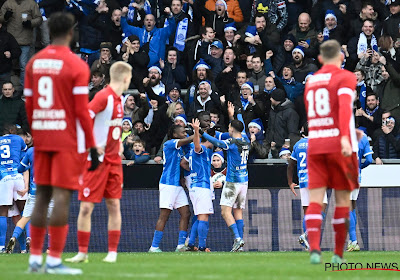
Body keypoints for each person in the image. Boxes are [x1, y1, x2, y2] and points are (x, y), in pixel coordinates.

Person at [24, 12, 98, 274]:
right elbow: (81, 110)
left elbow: (30, 105)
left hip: (42, 138)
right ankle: (53, 260)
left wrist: (39, 133)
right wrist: (91, 145)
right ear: (71, 32)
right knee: (62, 197)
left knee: (41, 195)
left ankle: (34, 258)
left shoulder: (34, 62)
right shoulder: (77, 65)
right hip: (66, 140)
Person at [65, 61, 131, 264]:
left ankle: (112, 253)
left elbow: (111, 128)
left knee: (114, 204)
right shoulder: (104, 96)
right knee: (86, 207)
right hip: (97, 161)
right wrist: (92, 145)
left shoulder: (119, 99)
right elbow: (83, 118)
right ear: (126, 79)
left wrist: (118, 144)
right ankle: (82, 253)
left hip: (114, 162)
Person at [303, 40, 358, 264]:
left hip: (315, 144)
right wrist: (346, 136)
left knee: (316, 200)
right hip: (339, 144)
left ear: (320, 59)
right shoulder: (346, 77)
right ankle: (337, 254)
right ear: (341, 56)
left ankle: (315, 249)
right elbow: (344, 107)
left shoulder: (312, 81)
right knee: (342, 201)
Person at [201, 102, 250, 252]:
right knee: (238, 211)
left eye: (229, 127)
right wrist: (235, 114)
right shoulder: (246, 139)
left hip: (233, 181)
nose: (228, 129)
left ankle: (237, 238)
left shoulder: (232, 142)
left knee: (225, 211)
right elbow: (240, 125)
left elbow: (217, 142)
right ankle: (240, 245)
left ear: (232, 129)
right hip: (244, 181)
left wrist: (201, 132)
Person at [148, 125, 194, 252]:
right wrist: (197, 133)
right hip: (167, 184)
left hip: (177, 185)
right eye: (183, 132)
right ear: (175, 134)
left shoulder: (181, 147)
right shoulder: (169, 144)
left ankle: (180, 245)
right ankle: (154, 247)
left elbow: (193, 147)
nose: (185, 133)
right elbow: (188, 140)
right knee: (164, 216)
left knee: (186, 213)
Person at [287, 125, 328, 251]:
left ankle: (308, 244)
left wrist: (290, 182)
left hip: (303, 181)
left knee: (308, 212)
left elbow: (290, 165)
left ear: (303, 130)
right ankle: (306, 235)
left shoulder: (298, 145)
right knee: (322, 207)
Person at [6, 146, 54, 254]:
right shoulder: (53, 150)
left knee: (25, 218)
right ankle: (50, 248)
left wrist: (29, 165)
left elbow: (20, 169)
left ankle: (13, 238)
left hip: (34, 191)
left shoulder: (31, 151)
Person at [183, 119, 214, 252]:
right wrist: (196, 131)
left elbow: (184, 163)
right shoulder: (200, 150)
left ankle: (190, 243)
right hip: (201, 186)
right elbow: (197, 146)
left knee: (200, 215)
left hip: (196, 186)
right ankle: (202, 247)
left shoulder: (198, 153)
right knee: (203, 216)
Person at [0, 124, 27, 253]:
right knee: (23, 214)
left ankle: (1, 246)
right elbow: (24, 154)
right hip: (18, 177)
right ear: (11, 131)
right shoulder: (18, 139)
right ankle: (24, 247)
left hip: (4, 179)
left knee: (2, 214)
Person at [347, 133, 373, 252]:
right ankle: (352, 241)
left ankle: (353, 241)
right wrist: (359, 167)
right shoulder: (362, 137)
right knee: (352, 206)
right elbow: (369, 159)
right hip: (356, 176)